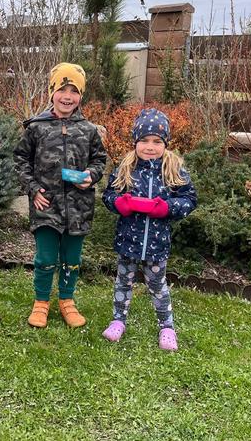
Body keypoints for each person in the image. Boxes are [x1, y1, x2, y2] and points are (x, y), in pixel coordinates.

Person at [13, 63, 107, 328]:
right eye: (62, 89)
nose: (67, 96)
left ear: (81, 96)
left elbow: (100, 160)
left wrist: (91, 175)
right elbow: (20, 160)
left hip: (79, 208)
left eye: (74, 91)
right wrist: (33, 189)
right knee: (45, 258)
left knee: (72, 259)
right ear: (52, 92)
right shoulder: (36, 127)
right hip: (46, 205)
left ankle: (67, 300)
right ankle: (41, 301)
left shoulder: (88, 130)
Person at [101, 108, 197, 351]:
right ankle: (118, 321)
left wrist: (167, 208)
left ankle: (167, 327)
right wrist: (119, 204)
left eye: (157, 141)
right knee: (123, 282)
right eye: (144, 140)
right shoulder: (126, 167)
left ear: (165, 143)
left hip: (157, 243)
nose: (150, 147)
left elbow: (189, 200)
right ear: (135, 141)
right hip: (128, 241)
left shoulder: (174, 170)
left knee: (157, 285)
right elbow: (109, 195)